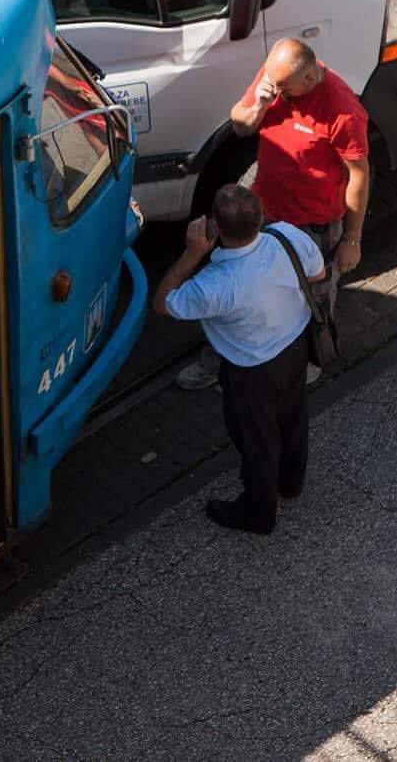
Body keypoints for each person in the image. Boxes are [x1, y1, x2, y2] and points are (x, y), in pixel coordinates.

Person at [177, 37, 370, 391]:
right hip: (262, 209)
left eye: (285, 88)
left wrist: (351, 238)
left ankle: (312, 358)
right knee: (234, 283)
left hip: (312, 224)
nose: (277, 90)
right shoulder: (275, 80)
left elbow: (358, 174)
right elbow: (239, 125)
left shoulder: (342, 111)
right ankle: (218, 359)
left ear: (310, 78)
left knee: (316, 294)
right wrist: (259, 106)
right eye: (274, 82)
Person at [153, 184, 325, 534]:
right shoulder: (286, 237)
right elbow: (318, 273)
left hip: (252, 371)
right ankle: (290, 483)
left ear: (215, 227)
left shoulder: (215, 284)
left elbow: (162, 302)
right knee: (293, 418)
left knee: (257, 441)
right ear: (261, 216)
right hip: (295, 347)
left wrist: (191, 253)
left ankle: (259, 512)